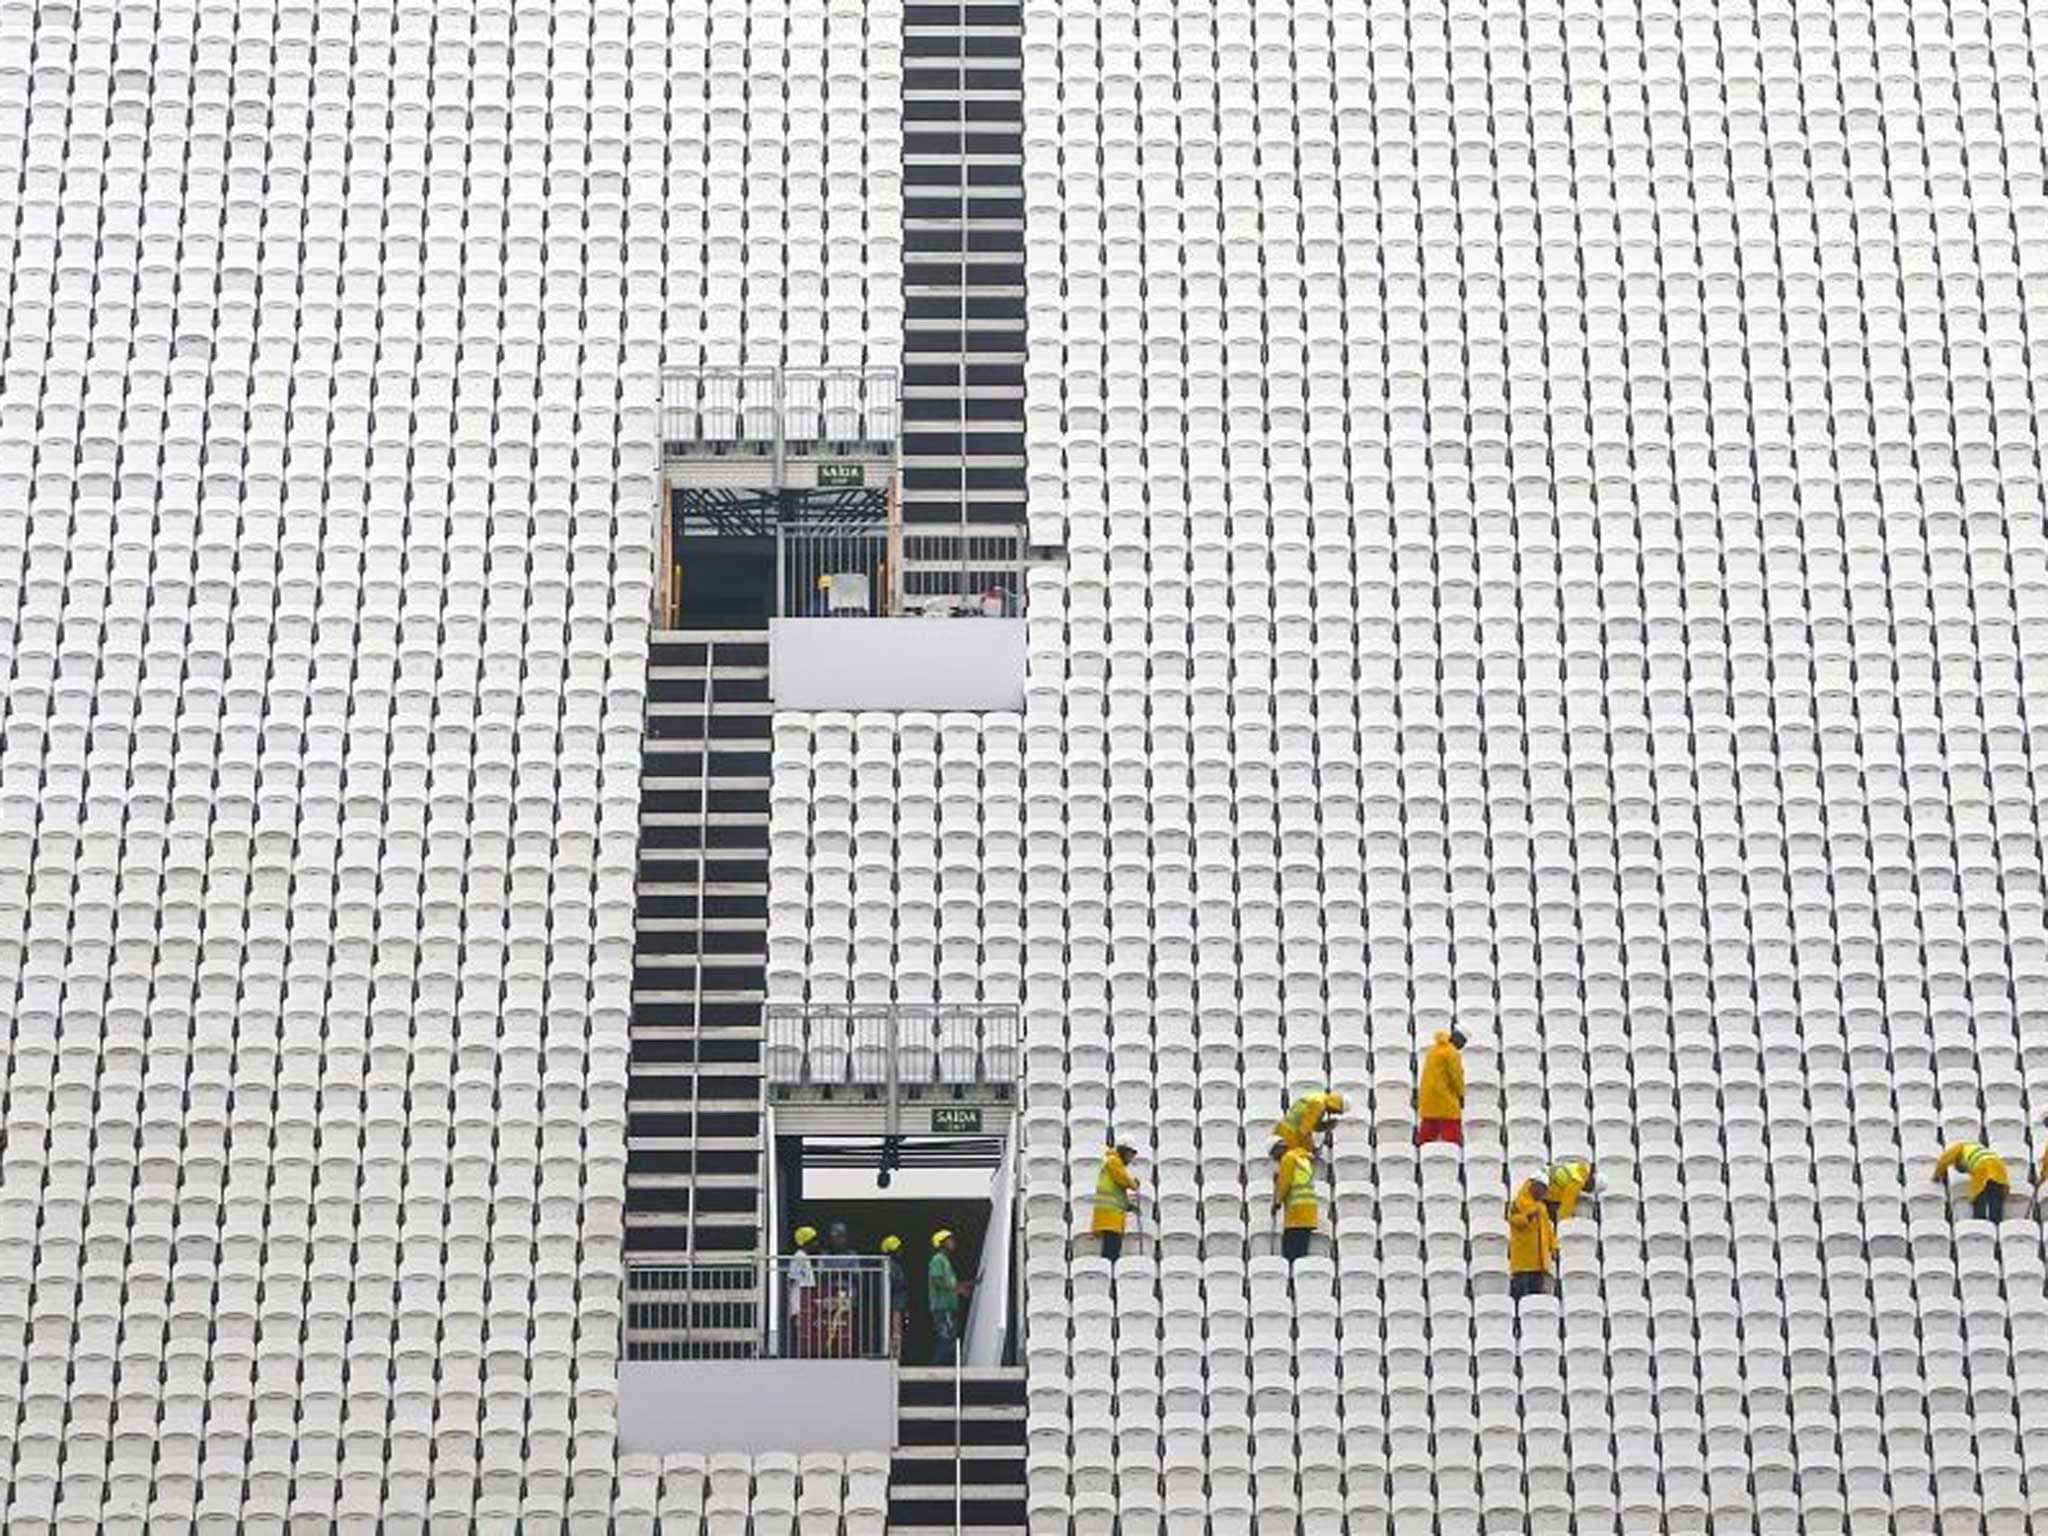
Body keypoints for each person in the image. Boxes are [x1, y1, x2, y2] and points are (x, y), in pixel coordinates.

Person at [1933, 1138, 2010, 1221]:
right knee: (1995, 1199)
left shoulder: (1960, 1147)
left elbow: (1944, 1159)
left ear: (1958, 1161)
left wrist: (1937, 1176)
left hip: (1983, 1166)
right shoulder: (1976, 1148)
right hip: (1999, 1166)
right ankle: (1996, 1224)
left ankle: (1980, 1223)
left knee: (1979, 1197)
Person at [1508, 1178, 1558, 1301]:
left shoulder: (1541, 1207)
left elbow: (1548, 1229)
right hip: (1523, 1262)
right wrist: (1528, 1216)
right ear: (1534, 1187)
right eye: (1542, 1189)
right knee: (1521, 1297)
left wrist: (1553, 1247)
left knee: (1536, 1299)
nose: (1544, 1194)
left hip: (1539, 1262)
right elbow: (1514, 1220)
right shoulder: (1518, 1203)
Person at [1416, 1029, 1468, 1145]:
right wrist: (1461, 1095)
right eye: (1463, 1043)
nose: (1462, 1047)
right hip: (1445, 1102)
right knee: (1452, 1139)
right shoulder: (1452, 1053)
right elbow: (1456, 1077)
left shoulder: (1433, 1050)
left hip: (1428, 1101)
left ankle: (1422, 1158)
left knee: (1426, 1138)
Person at [1092, 1142, 1141, 1263]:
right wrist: (1134, 1184)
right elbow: (1122, 1178)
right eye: (1130, 1155)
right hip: (1109, 1216)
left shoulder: (1113, 1162)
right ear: (1124, 1151)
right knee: (1111, 1253)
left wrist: (1129, 1206)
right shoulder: (1114, 1161)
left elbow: (1117, 1193)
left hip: (1113, 1217)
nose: (1130, 1159)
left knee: (1113, 1252)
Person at [929, 1229, 973, 1365]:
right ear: (941, 1243)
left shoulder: (945, 1261)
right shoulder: (937, 1259)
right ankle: (936, 1368)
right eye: (949, 1240)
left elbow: (949, 1283)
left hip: (949, 1308)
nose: (953, 1242)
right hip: (942, 1307)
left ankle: (944, 1367)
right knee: (946, 1338)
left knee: (950, 1339)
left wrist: (968, 1284)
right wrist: (958, 1289)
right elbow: (936, 1281)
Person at [1270, 1141, 1319, 1262]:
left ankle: (1291, 1280)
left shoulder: (1288, 1158)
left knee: (1289, 1254)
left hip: (1296, 1214)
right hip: (1309, 1214)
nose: (1276, 1159)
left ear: (1279, 1149)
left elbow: (1284, 1184)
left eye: (1275, 1155)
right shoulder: (1303, 1158)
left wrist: (1276, 1203)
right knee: (1301, 1255)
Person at [816, 1221, 857, 1357]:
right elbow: (821, 1273)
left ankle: (847, 1349)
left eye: (840, 1236)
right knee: (825, 1322)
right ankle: (826, 1348)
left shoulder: (852, 1255)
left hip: (847, 1295)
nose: (837, 1240)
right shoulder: (824, 1255)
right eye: (834, 1236)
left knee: (846, 1323)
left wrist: (839, 1273)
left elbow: (856, 1275)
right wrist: (840, 1273)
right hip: (828, 1294)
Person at [1271, 1090, 1348, 1156]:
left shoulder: (1318, 1098)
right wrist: (1312, 1149)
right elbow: (1304, 1131)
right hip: (1290, 1135)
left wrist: (1325, 1126)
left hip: (1285, 1131)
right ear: (1335, 1105)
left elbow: (1311, 1125)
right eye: (1336, 1111)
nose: (1333, 1113)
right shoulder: (1318, 1104)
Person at [788, 1225, 821, 1356]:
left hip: (805, 1297)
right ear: (807, 1242)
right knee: (800, 1327)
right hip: (798, 1297)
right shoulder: (799, 1256)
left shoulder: (805, 1256)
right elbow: (792, 1278)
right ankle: (798, 1354)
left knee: (806, 1327)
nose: (816, 1243)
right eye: (814, 1240)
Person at [880, 1235, 909, 1360]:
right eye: (897, 1249)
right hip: (894, 1304)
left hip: (899, 1302)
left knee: (898, 1329)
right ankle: (894, 1354)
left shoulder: (896, 1264)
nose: (900, 1252)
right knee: (895, 1330)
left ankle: (896, 1353)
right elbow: (893, 1284)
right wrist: (903, 1285)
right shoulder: (890, 1265)